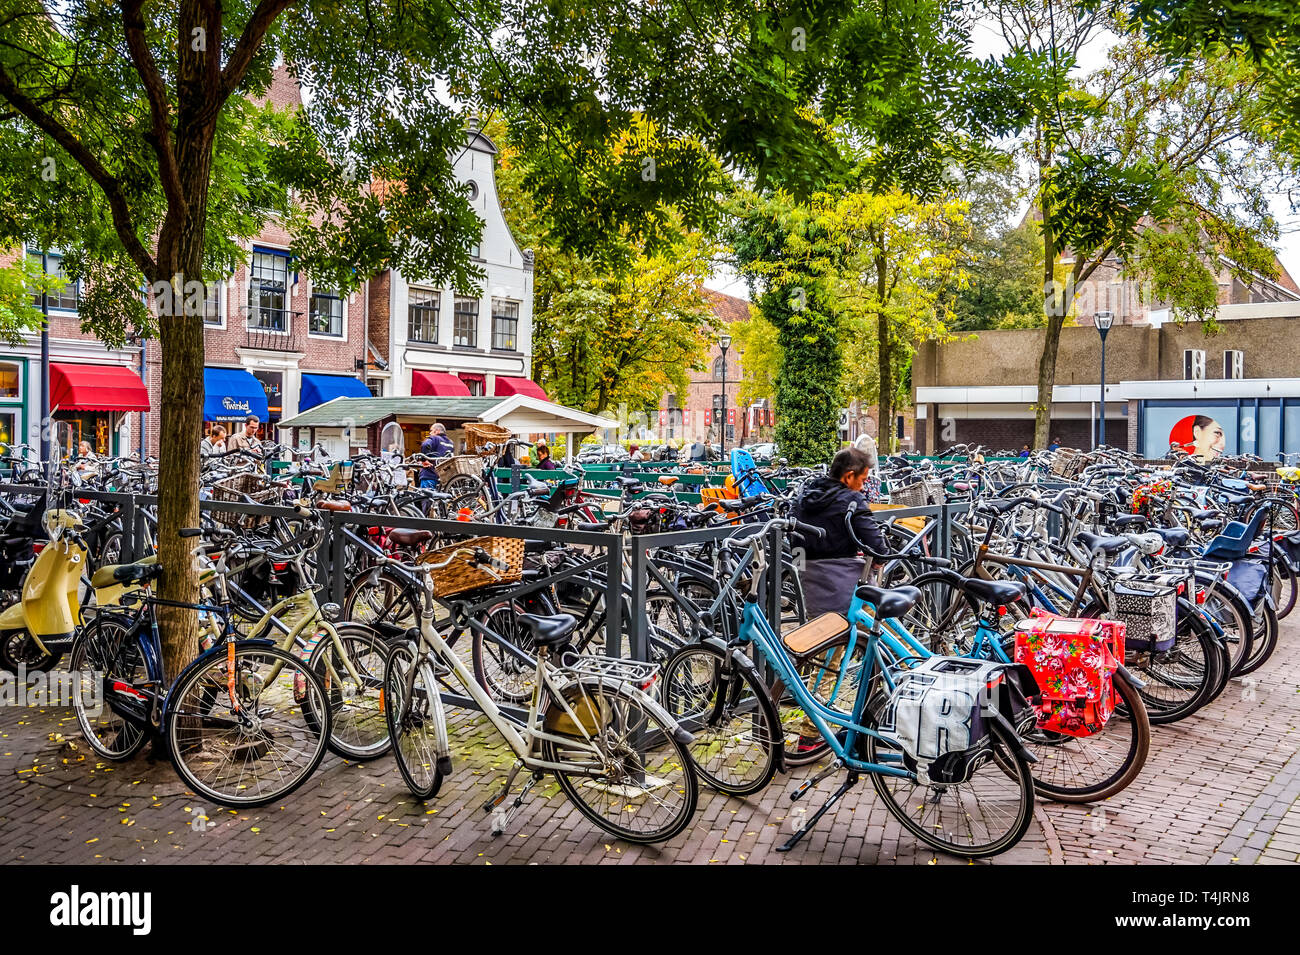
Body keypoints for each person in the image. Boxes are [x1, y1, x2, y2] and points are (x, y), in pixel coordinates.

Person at [418, 423, 454, 487]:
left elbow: (425, 445)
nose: (430, 433)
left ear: (437, 431)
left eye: (431, 430)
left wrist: (424, 460)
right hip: (443, 477)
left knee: (425, 496)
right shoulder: (451, 443)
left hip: (429, 475)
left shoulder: (435, 438)